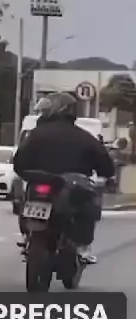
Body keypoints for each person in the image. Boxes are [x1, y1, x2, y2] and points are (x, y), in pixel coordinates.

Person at [13, 91, 115, 264]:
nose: (42, 113)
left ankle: (27, 236)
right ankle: (82, 247)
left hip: (39, 182)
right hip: (72, 184)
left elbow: (19, 161)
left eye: (45, 110)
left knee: (27, 198)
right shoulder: (84, 137)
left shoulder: (35, 135)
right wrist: (107, 175)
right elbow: (105, 164)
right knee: (89, 204)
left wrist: (30, 173)